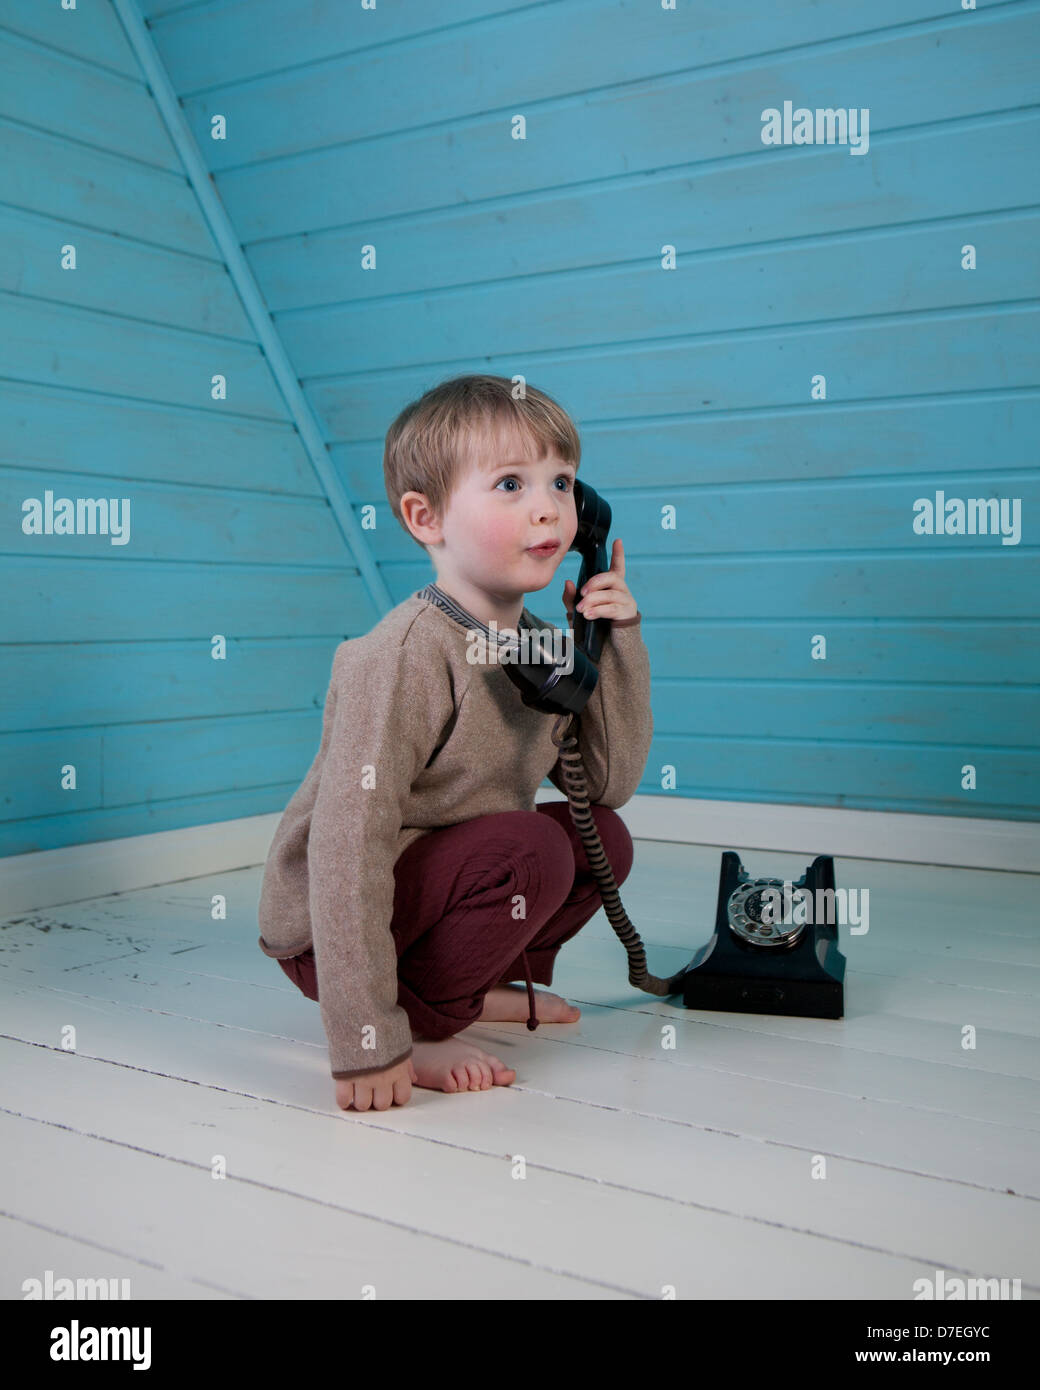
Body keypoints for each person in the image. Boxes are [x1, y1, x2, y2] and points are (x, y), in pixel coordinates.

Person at [257, 374, 653, 1112]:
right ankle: (422, 1022)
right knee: (530, 848)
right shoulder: (402, 654)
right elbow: (348, 846)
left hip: (448, 883)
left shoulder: (543, 648)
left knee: (598, 834)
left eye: (562, 481)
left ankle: (492, 985)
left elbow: (608, 782)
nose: (549, 506)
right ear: (427, 516)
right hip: (331, 926)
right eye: (510, 483)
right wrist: (366, 1035)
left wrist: (615, 643)